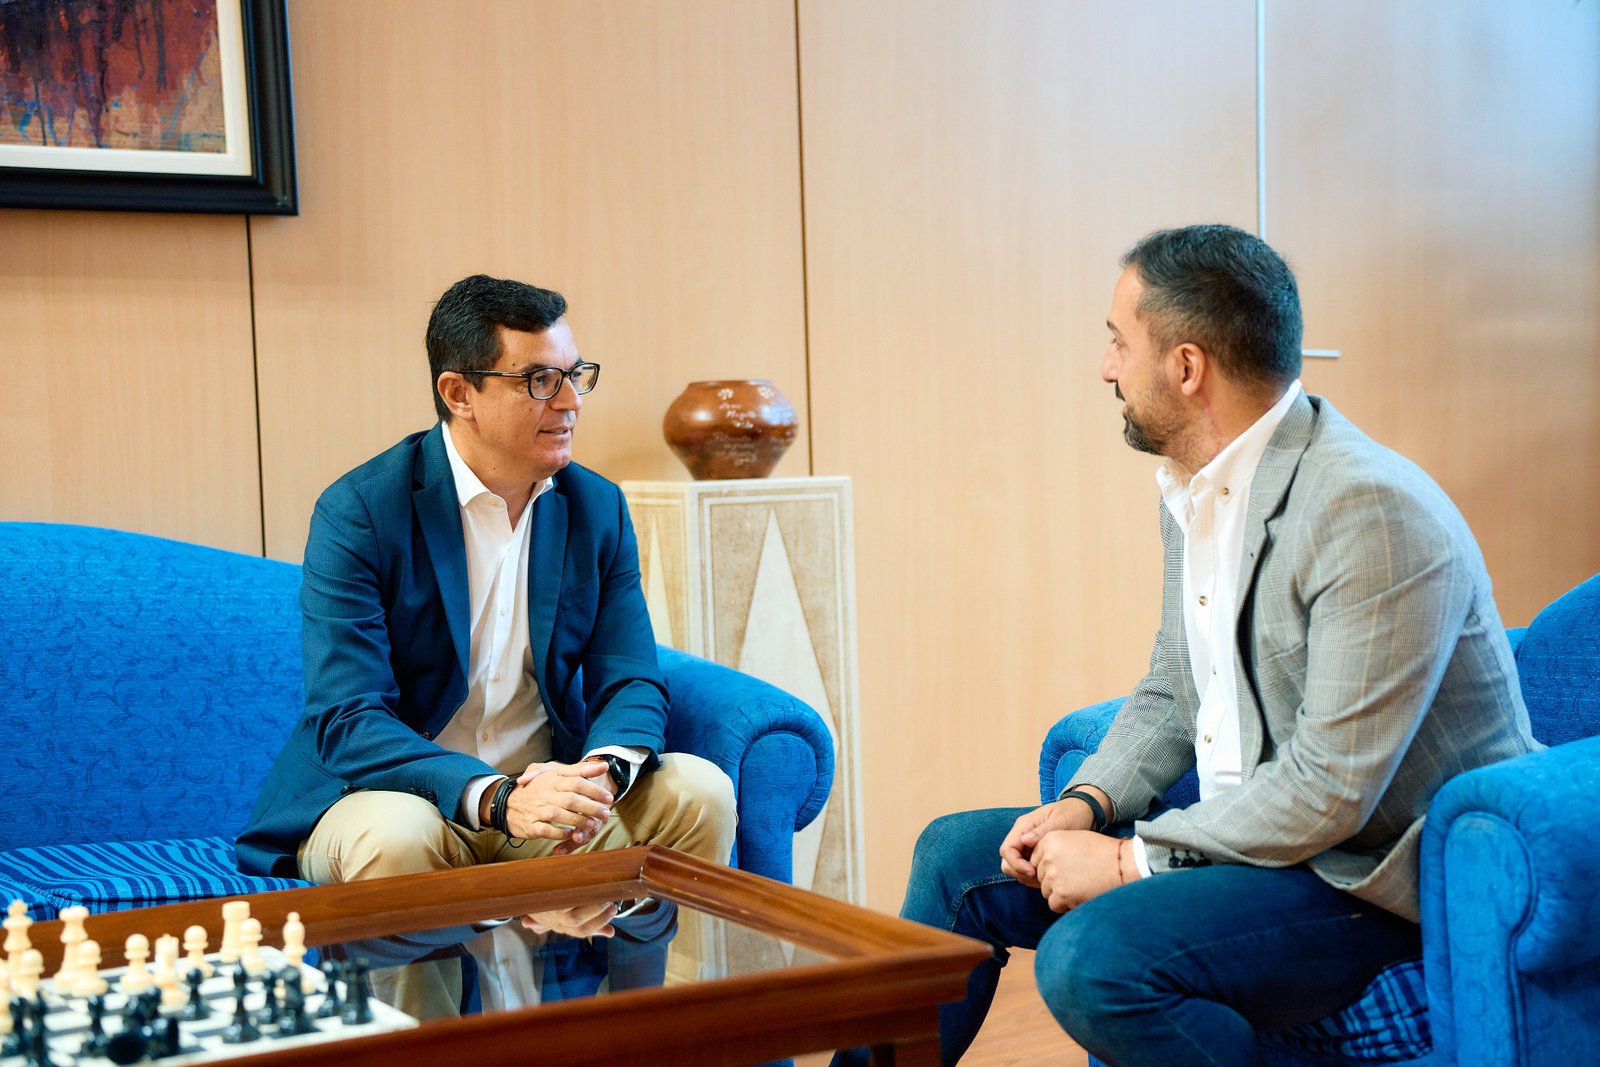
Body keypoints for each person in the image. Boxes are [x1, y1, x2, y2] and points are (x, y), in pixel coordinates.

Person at [840, 225, 1539, 1066]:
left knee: (1094, 959)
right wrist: (1087, 801)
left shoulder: (1368, 510)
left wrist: (1129, 860)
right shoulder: (1196, 484)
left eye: (1117, 341)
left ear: (1185, 366)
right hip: (1256, 848)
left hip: (1369, 883)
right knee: (956, 858)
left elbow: (1330, 790)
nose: (1105, 367)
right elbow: (1177, 685)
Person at [237, 274, 736, 1016]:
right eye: (539, 380)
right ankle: (451, 1015)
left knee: (701, 792)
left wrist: (599, 776)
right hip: (399, 796)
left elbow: (630, 676)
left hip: (546, 799)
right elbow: (346, 717)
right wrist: (497, 800)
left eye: (575, 375)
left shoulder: (595, 506)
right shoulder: (362, 511)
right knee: (395, 837)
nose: (569, 402)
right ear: (458, 392)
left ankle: (634, 1033)